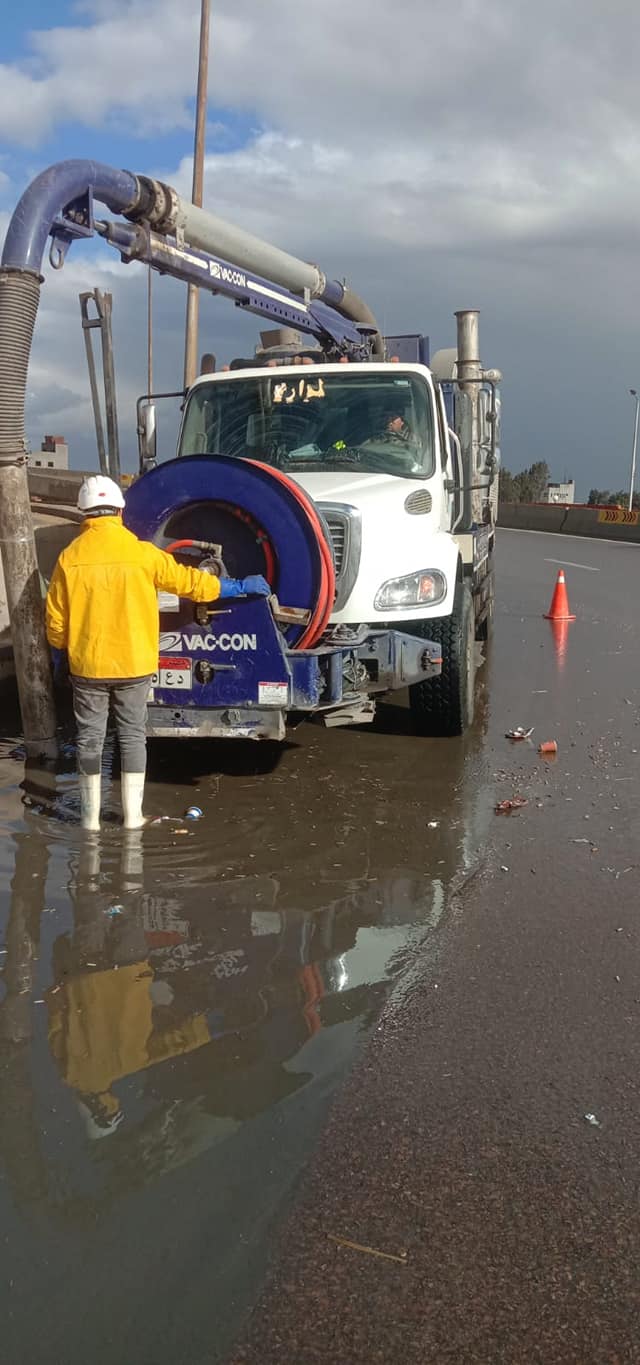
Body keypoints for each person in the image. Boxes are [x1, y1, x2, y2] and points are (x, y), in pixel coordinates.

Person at [46, 475, 270, 831]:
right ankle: (133, 818)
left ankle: (89, 820)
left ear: (84, 513)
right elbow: (191, 584)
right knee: (132, 736)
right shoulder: (143, 554)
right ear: (119, 511)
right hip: (134, 664)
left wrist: (64, 652)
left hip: (88, 666)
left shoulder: (69, 559)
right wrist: (236, 586)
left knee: (89, 739)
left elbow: (56, 622)